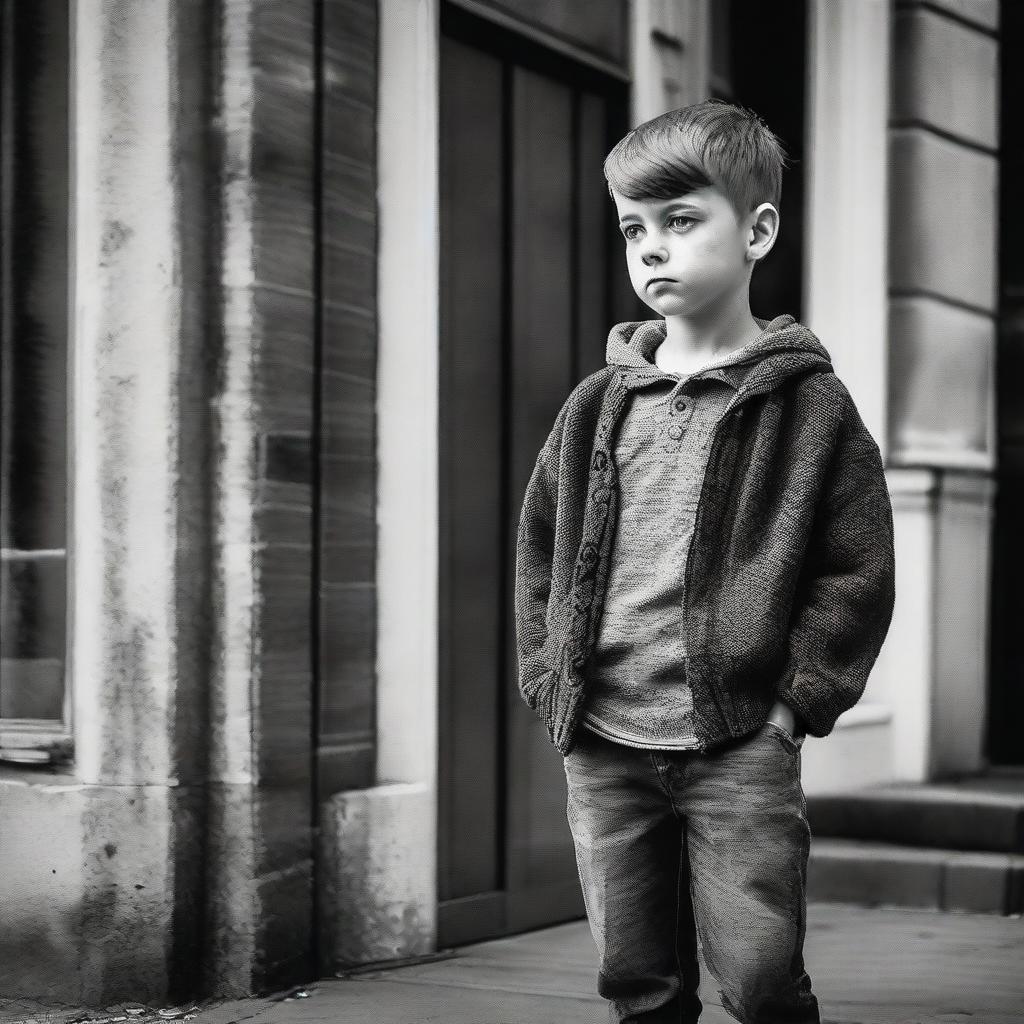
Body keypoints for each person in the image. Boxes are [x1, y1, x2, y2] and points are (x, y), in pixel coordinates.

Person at [513, 100, 896, 1023]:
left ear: (757, 229)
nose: (651, 248)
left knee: (761, 980)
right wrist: (547, 673)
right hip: (604, 740)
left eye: (680, 221)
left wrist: (792, 706)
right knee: (637, 981)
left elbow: (856, 570)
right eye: (633, 228)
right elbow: (539, 549)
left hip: (738, 743)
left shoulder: (810, 407)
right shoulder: (597, 405)